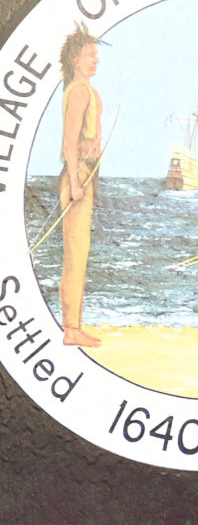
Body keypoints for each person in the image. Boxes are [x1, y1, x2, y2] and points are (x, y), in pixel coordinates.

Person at [54, 27, 104, 348]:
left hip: (87, 175)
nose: (96, 59)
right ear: (76, 59)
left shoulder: (89, 91)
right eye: (90, 54)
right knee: (74, 253)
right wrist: (74, 182)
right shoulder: (79, 92)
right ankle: (70, 330)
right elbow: (70, 143)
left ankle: (76, 325)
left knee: (81, 252)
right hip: (77, 177)